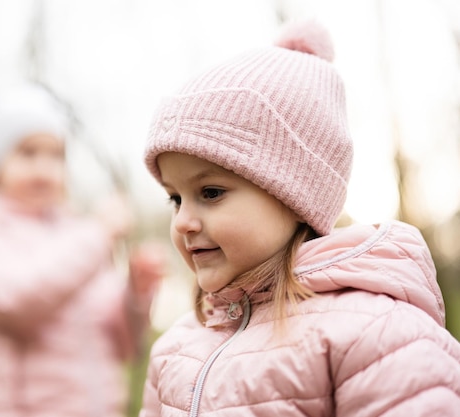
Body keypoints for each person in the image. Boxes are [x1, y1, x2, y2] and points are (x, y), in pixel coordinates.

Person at [138, 19, 460, 417]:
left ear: (293, 197)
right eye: (175, 198)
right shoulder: (175, 349)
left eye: (210, 192)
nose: (183, 221)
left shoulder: (376, 334)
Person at [0, 81, 165, 417]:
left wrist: (136, 294)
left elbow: (124, 345)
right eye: (28, 153)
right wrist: (99, 235)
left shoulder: (76, 231)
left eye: (55, 155)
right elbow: (12, 298)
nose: (44, 168)